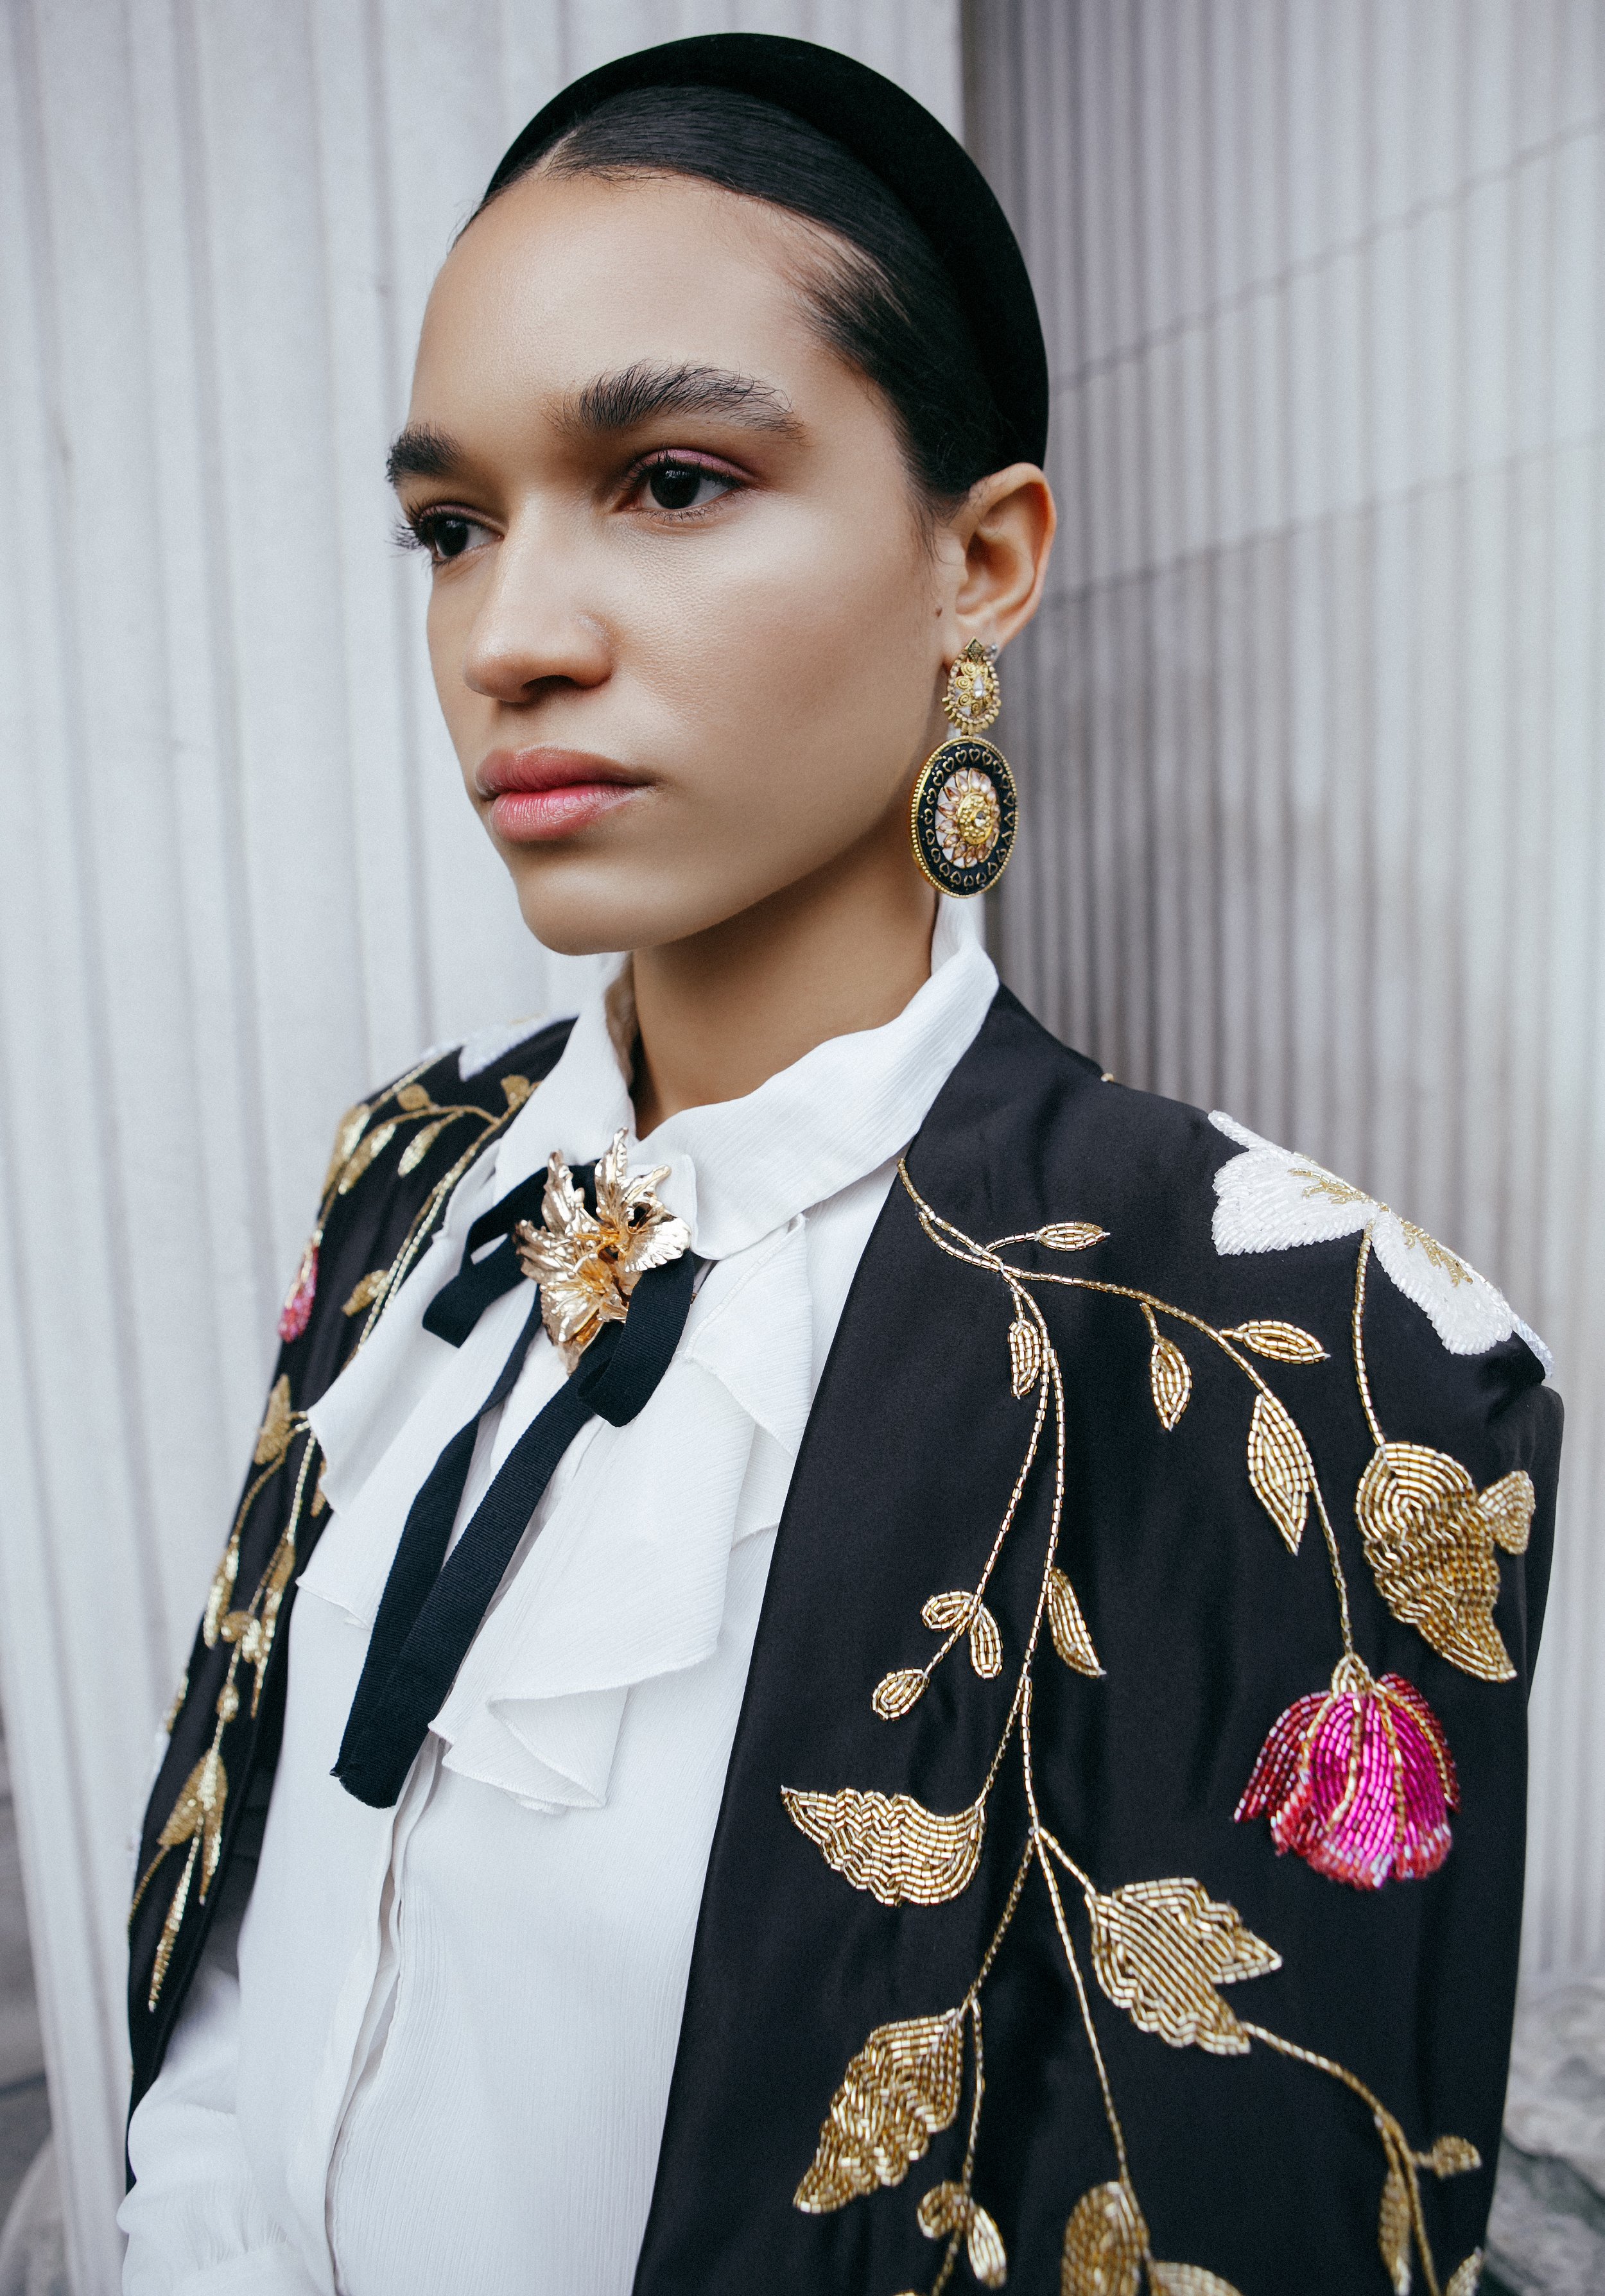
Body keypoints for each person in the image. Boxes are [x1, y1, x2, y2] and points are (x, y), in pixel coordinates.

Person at [119, 35, 1559, 2296]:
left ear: (977, 561)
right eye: (450, 525)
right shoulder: (412, 1174)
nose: (507, 636)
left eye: (673, 479)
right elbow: (230, 1982)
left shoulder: (1317, 1361)